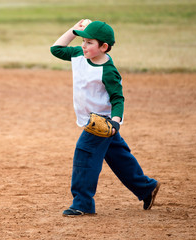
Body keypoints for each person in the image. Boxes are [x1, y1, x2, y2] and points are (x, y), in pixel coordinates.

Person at [50, 19, 161, 217]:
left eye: (90, 42)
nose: (83, 45)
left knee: (84, 155)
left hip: (101, 123)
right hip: (91, 120)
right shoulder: (78, 55)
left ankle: (82, 203)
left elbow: (118, 98)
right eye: (83, 41)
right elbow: (56, 49)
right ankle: (146, 188)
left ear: (104, 47)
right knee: (119, 158)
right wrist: (75, 30)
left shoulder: (108, 71)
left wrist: (115, 122)